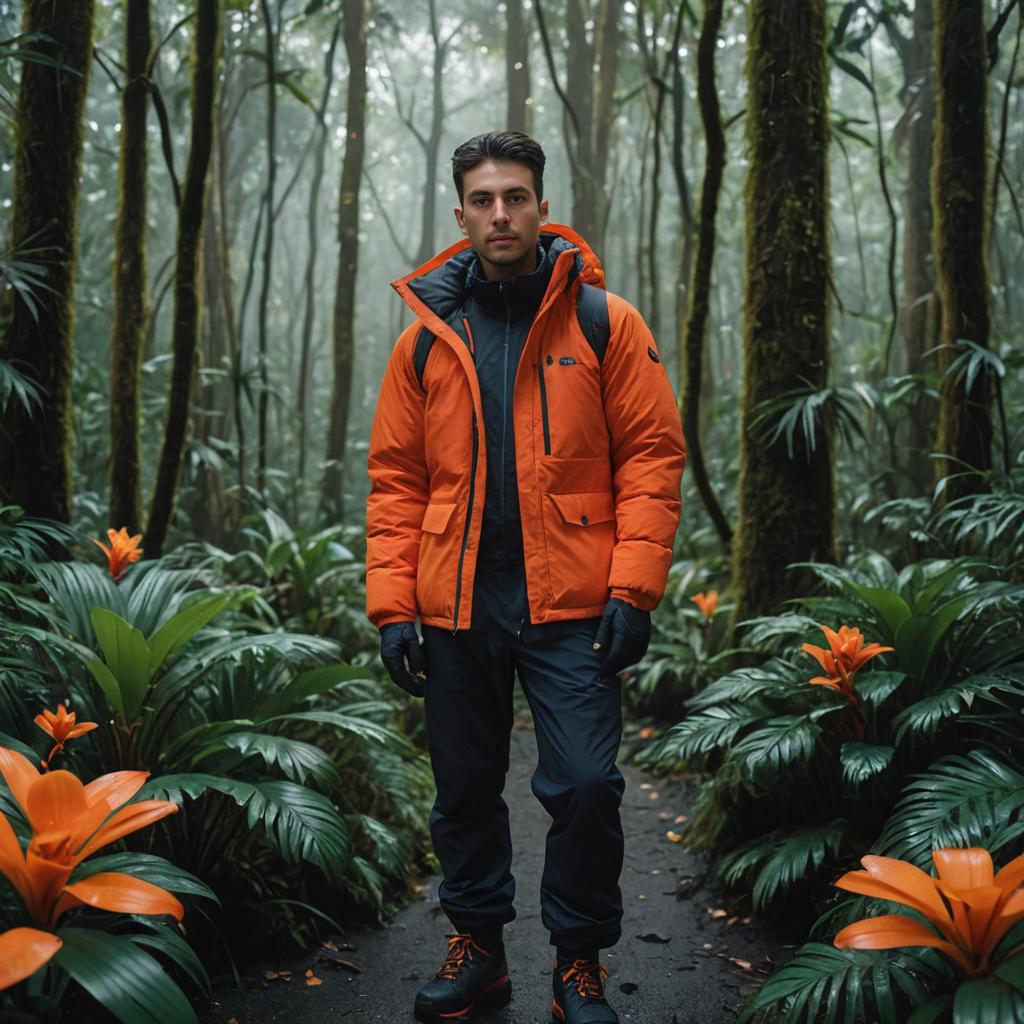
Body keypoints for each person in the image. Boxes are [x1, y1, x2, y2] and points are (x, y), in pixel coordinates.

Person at [365, 130, 685, 1024]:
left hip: (573, 597)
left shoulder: (602, 321)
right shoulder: (426, 340)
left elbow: (653, 459)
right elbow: (395, 480)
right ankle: (480, 951)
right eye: (481, 199)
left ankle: (577, 961)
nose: (499, 213)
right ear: (460, 212)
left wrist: (633, 590)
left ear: (543, 206)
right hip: (456, 598)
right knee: (464, 786)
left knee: (585, 783)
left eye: (515, 196)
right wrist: (394, 606)